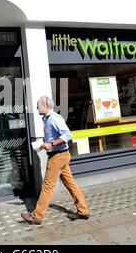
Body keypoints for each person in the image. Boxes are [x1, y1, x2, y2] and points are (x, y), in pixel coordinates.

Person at [21, 96, 90, 225]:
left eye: (38, 105)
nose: (37, 107)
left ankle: (37, 216)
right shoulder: (47, 119)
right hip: (60, 155)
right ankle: (83, 211)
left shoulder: (54, 118)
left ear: (45, 105)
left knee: (47, 186)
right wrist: (44, 144)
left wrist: (51, 144)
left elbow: (67, 135)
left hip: (58, 156)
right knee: (70, 184)